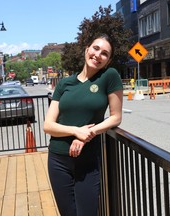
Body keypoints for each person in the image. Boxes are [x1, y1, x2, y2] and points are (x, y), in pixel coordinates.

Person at [44, 33, 123, 216]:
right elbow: (48, 125)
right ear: (87, 49)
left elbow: (115, 117)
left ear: (108, 60)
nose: (98, 55)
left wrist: (88, 134)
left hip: (87, 160)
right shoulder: (64, 84)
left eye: (105, 53)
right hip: (58, 159)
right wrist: (76, 131)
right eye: (95, 48)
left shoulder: (109, 77)